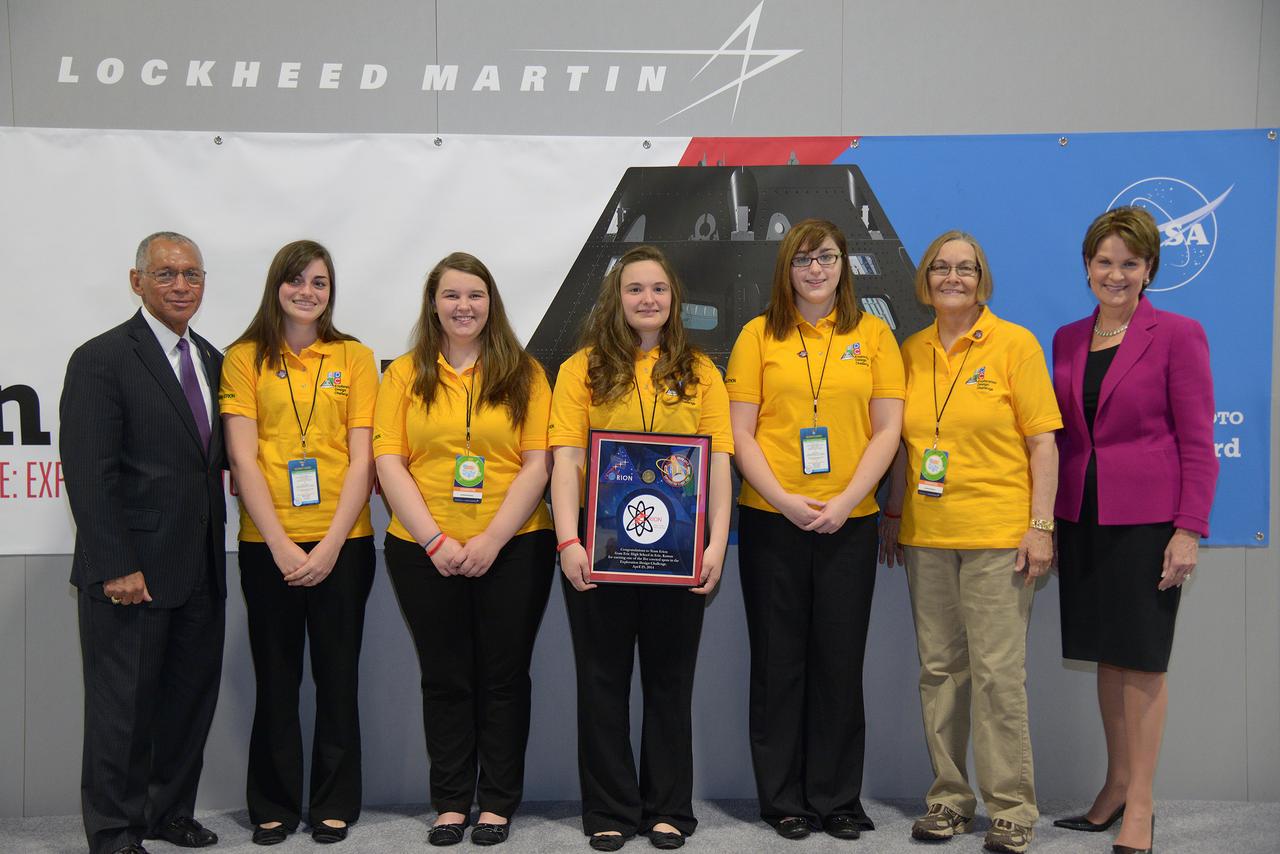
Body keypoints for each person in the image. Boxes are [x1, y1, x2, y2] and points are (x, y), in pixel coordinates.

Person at [878, 231, 1061, 854]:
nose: (952, 276)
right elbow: (904, 446)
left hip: (998, 539)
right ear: (925, 278)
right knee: (939, 673)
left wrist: (1040, 527)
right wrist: (895, 512)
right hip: (928, 539)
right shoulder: (909, 349)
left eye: (965, 268)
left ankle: (1011, 809)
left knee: (996, 675)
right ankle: (949, 800)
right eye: (941, 267)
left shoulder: (1015, 345)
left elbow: (1043, 444)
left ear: (982, 278)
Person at [550, 245, 733, 852]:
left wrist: (716, 546)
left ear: (673, 297)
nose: (647, 299)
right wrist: (568, 540)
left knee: (669, 682)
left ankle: (667, 810)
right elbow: (567, 460)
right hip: (598, 549)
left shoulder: (702, 371)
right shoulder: (581, 369)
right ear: (616, 298)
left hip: (678, 553)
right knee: (601, 681)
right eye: (635, 289)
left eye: (658, 288)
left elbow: (721, 465)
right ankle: (608, 809)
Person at [725, 218, 903, 842]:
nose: (816, 269)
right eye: (803, 259)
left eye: (826, 257)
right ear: (786, 269)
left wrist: (850, 499)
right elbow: (739, 433)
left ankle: (837, 798)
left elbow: (888, 431)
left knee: (838, 662)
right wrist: (783, 498)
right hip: (773, 519)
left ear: (844, 264)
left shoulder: (874, 334)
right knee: (778, 664)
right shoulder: (757, 335)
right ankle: (783, 799)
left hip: (848, 521)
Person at [1050, 207, 1217, 854]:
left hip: (1149, 523)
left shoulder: (1178, 334)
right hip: (1082, 517)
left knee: (1143, 661)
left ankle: (1142, 802)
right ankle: (1115, 785)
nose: (1115, 274)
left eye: (1130, 262)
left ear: (1149, 269)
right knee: (1107, 654)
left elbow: (1198, 443)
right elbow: (1061, 436)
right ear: (1087, 266)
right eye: (1104, 261)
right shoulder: (1066, 338)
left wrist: (1188, 530)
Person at [375, 252, 555, 848]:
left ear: (491, 303)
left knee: (504, 679)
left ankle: (498, 803)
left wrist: (490, 539)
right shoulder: (403, 374)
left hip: (516, 545)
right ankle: (452, 802)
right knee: (445, 678)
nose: (463, 307)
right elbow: (389, 462)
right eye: (451, 296)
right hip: (422, 549)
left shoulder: (526, 373)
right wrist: (434, 538)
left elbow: (537, 463)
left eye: (475, 295)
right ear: (433, 304)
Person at [60, 232, 226, 854]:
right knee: (121, 713)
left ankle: (168, 813)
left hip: (201, 569)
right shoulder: (101, 358)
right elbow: (89, 469)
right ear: (137, 283)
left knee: (187, 704)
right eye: (165, 275)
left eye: (191, 275)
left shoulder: (211, 358)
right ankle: (114, 831)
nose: (181, 286)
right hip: (131, 573)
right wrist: (114, 564)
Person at [219, 240, 377, 846]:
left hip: (345, 541)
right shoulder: (244, 357)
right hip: (268, 543)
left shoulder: (355, 357)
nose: (307, 292)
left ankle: (335, 803)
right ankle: (275, 804)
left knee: (338, 677)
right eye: (296, 281)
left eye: (320, 282)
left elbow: (362, 458)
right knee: (277, 677)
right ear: (276, 286)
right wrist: (282, 545)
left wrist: (333, 544)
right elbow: (242, 455)